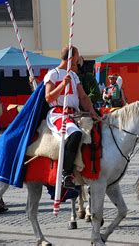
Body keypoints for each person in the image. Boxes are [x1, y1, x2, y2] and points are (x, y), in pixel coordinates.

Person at [44, 46, 99, 189]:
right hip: (58, 113)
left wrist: (92, 111)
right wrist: (63, 84)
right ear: (71, 58)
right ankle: (65, 173)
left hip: (74, 114)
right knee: (75, 134)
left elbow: (83, 97)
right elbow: (49, 97)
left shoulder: (74, 76)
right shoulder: (53, 74)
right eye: (77, 56)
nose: (79, 58)